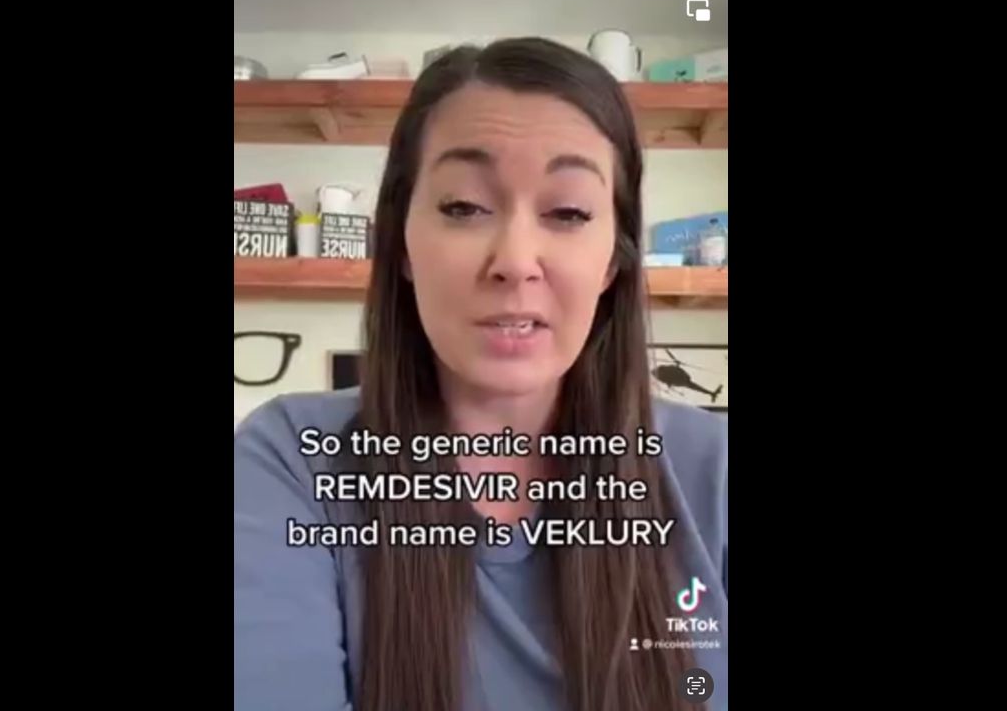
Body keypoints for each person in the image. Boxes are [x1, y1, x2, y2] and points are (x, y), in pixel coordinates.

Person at [234, 37, 728, 711]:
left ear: (613, 262)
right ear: (401, 244)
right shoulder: (288, 462)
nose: (516, 261)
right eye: (464, 207)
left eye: (568, 212)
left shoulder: (713, 472)